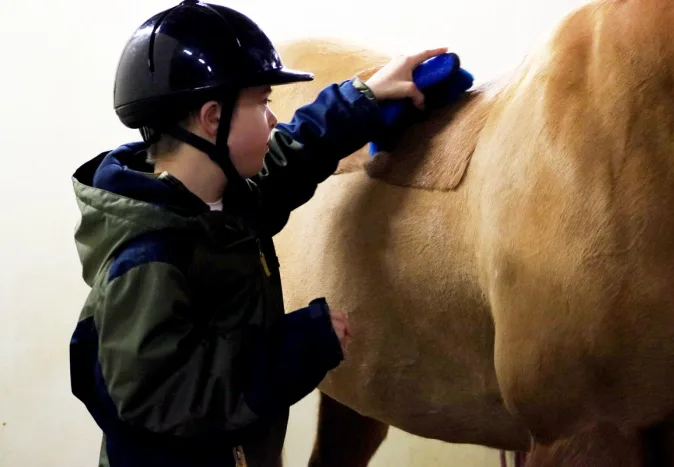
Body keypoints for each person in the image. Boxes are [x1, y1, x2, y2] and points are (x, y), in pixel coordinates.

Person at [69, 1, 449, 466]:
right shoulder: (150, 255)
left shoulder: (217, 207)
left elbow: (287, 161)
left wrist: (363, 99)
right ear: (212, 118)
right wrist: (300, 344)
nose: (273, 120)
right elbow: (168, 401)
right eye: (264, 103)